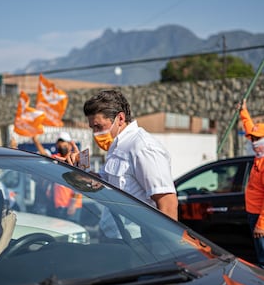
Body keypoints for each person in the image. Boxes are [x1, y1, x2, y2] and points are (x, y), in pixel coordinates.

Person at [74, 89, 178, 220]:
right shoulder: (117, 146)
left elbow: (168, 204)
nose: (95, 133)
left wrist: (162, 241)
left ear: (120, 119)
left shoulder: (143, 147)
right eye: (92, 128)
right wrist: (79, 168)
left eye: (99, 126)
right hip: (114, 235)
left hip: (138, 238)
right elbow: (101, 182)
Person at [32, 133, 83, 223]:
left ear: (70, 145)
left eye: (64, 143)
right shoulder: (57, 159)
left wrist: (73, 203)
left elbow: (79, 185)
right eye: (59, 144)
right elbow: (44, 155)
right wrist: (36, 141)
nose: (61, 146)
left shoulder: (75, 159)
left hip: (72, 206)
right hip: (58, 205)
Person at [238, 99, 264, 268]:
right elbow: (249, 127)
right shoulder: (260, 156)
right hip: (253, 213)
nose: (254, 142)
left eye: (257, 138)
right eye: (252, 138)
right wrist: (243, 112)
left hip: (260, 219)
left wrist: (261, 225)